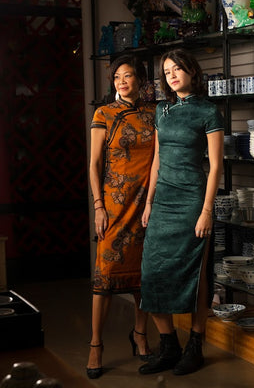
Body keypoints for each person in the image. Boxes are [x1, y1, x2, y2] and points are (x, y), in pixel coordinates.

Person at [138, 48, 224, 376]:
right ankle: (169, 344)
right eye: (167, 71)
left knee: (195, 274)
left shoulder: (208, 111)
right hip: (162, 203)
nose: (172, 75)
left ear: (192, 71)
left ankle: (196, 345)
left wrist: (206, 211)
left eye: (178, 69)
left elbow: (215, 167)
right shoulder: (162, 110)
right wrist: (148, 203)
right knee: (152, 273)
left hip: (192, 201)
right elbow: (157, 161)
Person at [87, 54, 156, 379]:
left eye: (128, 76)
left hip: (146, 204)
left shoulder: (154, 114)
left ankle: (140, 335)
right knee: (105, 277)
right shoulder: (104, 113)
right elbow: (94, 164)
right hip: (114, 206)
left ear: (140, 80)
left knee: (144, 277)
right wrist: (98, 206)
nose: (122, 81)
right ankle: (96, 344)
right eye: (117, 77)